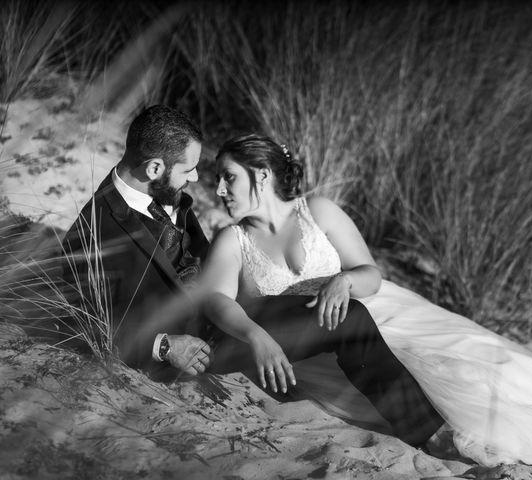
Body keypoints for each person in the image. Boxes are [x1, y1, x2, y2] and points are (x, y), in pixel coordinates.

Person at [202, 133, 532, 473]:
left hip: (379, 306)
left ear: (261, 175)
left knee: (479, 358)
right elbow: (216, 302)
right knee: (437, 376)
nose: (219, 188)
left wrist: (344, 281)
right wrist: (255, 334)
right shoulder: (232, 239)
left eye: (229, 176)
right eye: (218, 179)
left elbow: (369, 273)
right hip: (321, 334)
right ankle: (438, 435)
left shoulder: (320, 210)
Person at [60, 105, 445, 448]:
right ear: (155, 168)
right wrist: (163, 345)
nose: (196, 179)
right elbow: (78, 318)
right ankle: (428, 436)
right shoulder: (92, 231)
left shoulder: (166, 193)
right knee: (351, 321)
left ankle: (426, 432)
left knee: (352, 316)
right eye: (188, 170)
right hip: (192, 349)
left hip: (230, 318)